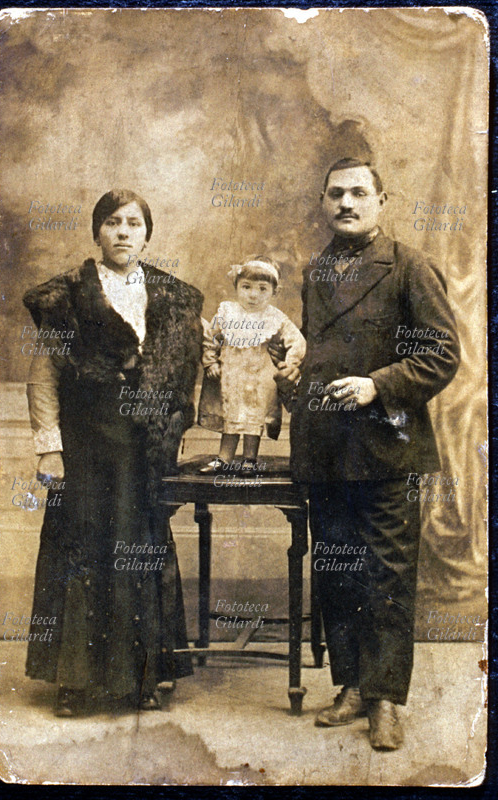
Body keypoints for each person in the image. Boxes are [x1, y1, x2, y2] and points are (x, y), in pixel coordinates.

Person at [289, 158, 460, 749]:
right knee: (336, 567)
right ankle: (352, 686)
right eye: (335, 193)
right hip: (326, 447)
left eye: (359, 192)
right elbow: (323, 351)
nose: (346, 203)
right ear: (323, 200)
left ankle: (386, 699)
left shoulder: (409, 266)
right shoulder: (314, 271)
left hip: (387, 448)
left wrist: (377, 385)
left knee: (386, 573)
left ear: (382, 200)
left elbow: (441, 354)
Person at [23, 189, 204, 716]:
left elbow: (185, 376)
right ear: (97, 233)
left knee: (140, 551)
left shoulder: (172, 299)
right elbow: (44, 377)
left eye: (133, 223)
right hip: (84, 448)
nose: (123, 232)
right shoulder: (67, 298)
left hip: (142, 450)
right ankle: (74, 682)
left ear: (147, 234)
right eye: (112, 223)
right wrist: (48, 451)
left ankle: (144, 677)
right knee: (79, 552)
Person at [198, 257, 305, 471]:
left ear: (275, 292)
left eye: (262, 289)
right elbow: (211, 338)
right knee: (231, 416)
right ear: (236, 286)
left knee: (253, 420)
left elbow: (298, 342)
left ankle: (249, 459)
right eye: (246, 287)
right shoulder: (227, 313)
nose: (253, 295)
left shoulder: (276, 318)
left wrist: (290, 364)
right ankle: (224, 459)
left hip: (259, 381)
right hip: (231, 378)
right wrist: (211, 363)